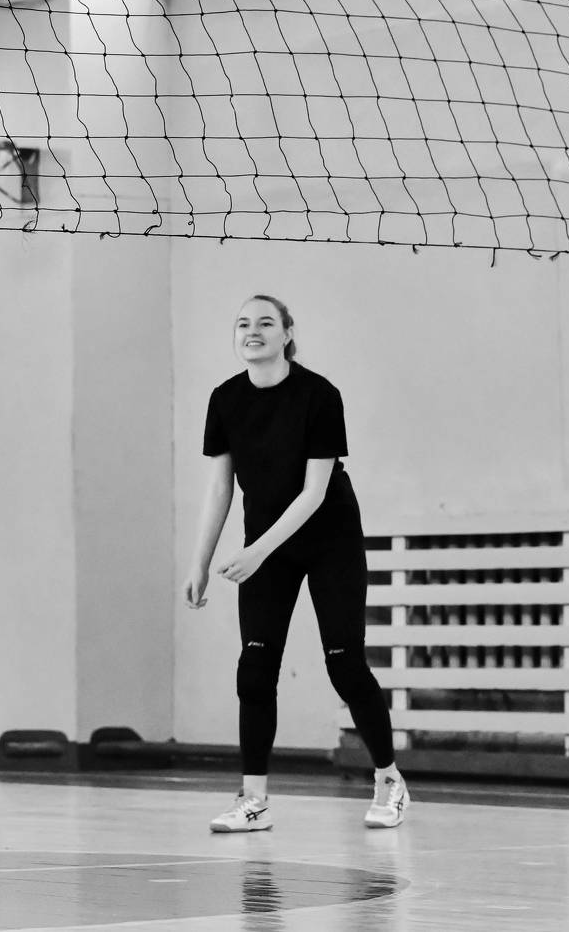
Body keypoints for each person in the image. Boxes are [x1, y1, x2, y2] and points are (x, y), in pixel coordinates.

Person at [182, 295, 409, 834]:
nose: (253, 330)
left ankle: (389, 780)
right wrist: (200, 561)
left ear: (287, 333)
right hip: (266, 545)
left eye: (266, 322)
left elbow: (313, 493)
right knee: (255, 669)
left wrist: (256, 551)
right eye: (243, 323)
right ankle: (253, 800)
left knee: (345, 664)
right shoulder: (224, 399)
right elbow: (220, 488)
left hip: (329, 540)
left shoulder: (319, 395)